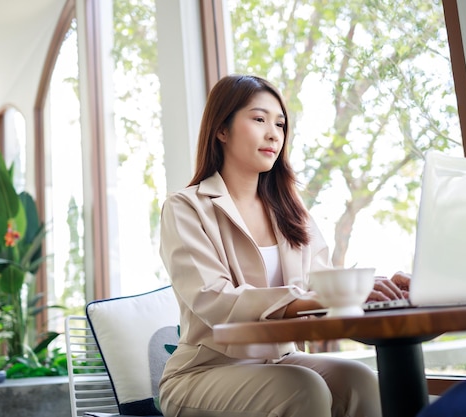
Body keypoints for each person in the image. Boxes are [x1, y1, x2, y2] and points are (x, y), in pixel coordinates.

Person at [158, 74, 411, 417]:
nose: (273, 133)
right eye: (259, 119)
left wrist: (372, 287)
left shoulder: (291, 210)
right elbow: (212, 298)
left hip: (280, 358)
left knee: (361, 380)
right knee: (303, 390)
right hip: (204, 371)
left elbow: (321, 282)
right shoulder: (187, 207)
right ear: (221, 130)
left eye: (280, 124)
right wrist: (305, 298)